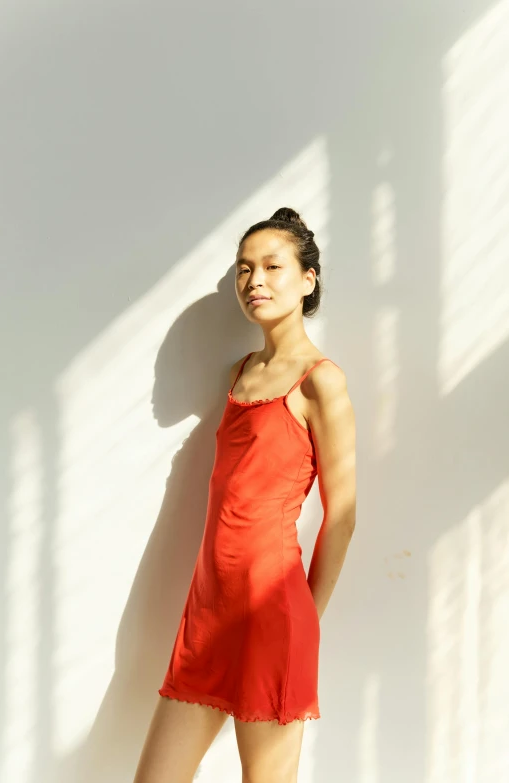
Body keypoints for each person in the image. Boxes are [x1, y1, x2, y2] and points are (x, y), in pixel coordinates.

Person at [133, 207, 356, 783]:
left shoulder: (320, 380)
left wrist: (306, 618)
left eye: (272, 266)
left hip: (273, 615)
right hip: (207, 615)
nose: (253, 280)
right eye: (243, 269)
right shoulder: (239, 372)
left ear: (307, 280)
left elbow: (342, 516)